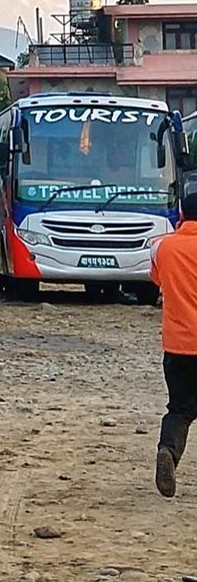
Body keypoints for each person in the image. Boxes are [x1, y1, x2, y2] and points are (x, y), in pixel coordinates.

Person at [150, 190, 197, 497]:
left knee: (179, 409)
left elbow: (156, 280)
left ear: (181, 214)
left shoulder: (162, 247)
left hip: (178, 345)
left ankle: (168, 451)